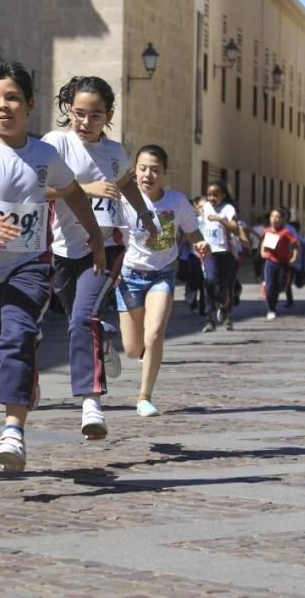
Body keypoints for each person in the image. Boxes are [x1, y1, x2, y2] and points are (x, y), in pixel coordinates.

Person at [0, 59, 103, 472]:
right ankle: (24, 376)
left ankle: (13, 430)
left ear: (29, 105)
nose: (3, 106)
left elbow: (72, 192)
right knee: (0, 344)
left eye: (12, 98)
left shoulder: (44, 154)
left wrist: (95, 236)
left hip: (30, 265)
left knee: (17, 337)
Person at [42, 76, 157, 439]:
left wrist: (147, 216)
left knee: (80, 318)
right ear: (68, 111)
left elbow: (126, 185)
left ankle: (91, 403)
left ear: (107, 116)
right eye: (79, 113)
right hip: (62, 249)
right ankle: (104, 335)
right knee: (80, 319)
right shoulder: (54, 144)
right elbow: (33, 185)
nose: (85, 122)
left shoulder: (115, 153)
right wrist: (84, 189)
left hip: (104, 247)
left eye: (95, 115)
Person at [116, 145, 204, 416]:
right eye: (142, 169)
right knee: (132, 350)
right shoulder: (122, 200)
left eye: (154, 169)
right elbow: (111, 235)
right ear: (134, 171)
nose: (148, 174)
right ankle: (113, 345)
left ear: (164, 173)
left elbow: (193, 232)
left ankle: (144, 396)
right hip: (129, 276)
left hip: (162, 274)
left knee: (154, 334)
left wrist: (201, 244)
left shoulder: (176, 201)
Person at [200, 180, 240, 331]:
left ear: (223, 195)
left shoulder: (228, 209)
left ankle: (224, 308)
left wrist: (220, 219)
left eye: (215, 195)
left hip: (226, 253)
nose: (211, 198)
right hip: (209, 251)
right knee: (209, 281)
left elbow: (235, 229)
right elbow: (201, 226)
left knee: (223, 287)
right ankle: (209, 318)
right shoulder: (205, 207)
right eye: (209, 194)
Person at [260, 208, 299, 320]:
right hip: (270, 262)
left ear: (283, 219)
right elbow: (263, 242)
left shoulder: (286, 233)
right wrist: (262, 252)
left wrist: (294, 258)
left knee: (280, 286)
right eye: (272, 216)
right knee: (269, 287)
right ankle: (271, 309)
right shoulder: (266, 231)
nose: (274, 219)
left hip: (283, 263)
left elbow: (296, 245)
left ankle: (274, 299)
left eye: (277, 217)